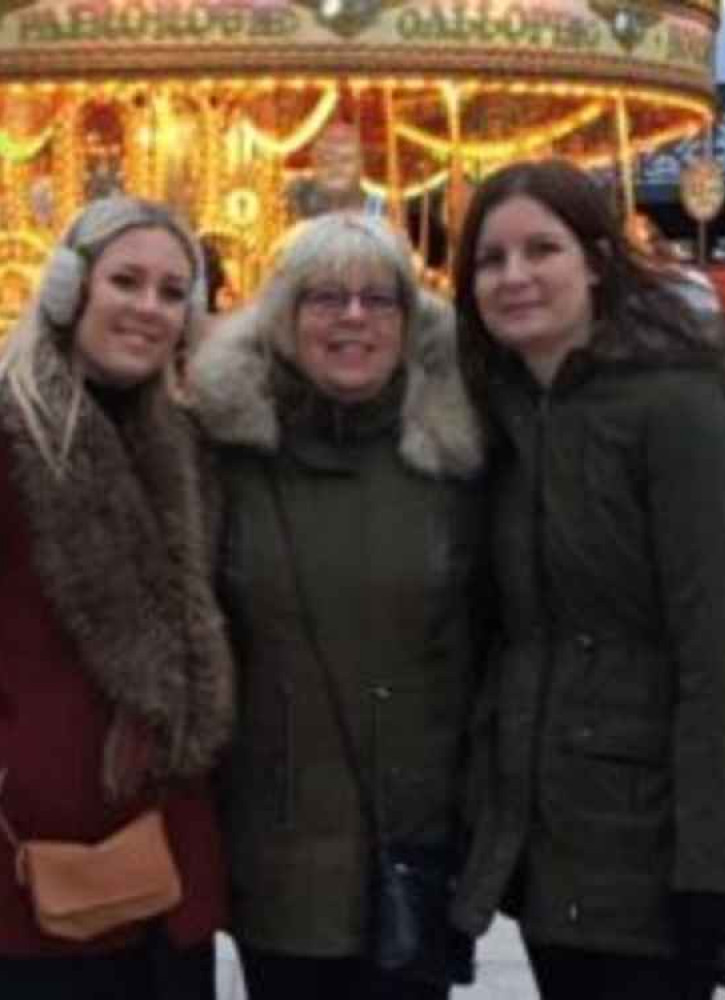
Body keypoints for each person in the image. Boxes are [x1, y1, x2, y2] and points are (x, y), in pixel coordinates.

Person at [0, 196, 235, 1000]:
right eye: (126, 281)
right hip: (32, 858)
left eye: (173, 292)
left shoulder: (182, 436)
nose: (148, 308)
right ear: (72, 289)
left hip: (162, 848)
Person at [449, 160, 725, 1000]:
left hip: (653, 841)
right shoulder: (512, 414)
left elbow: (718, 656)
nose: (516, 276)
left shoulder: (681, 408)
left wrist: (715, 865)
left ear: (597, 260)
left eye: (542, 249)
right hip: (553, 837)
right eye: (491, 260)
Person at [186, 212, 485, 1000]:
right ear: (285, 317)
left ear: (408, 321)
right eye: (325, 298)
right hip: (274, 834)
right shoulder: (227, 452)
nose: (353, 318)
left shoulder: (453, 460)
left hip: (412, 842)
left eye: (378, 299)